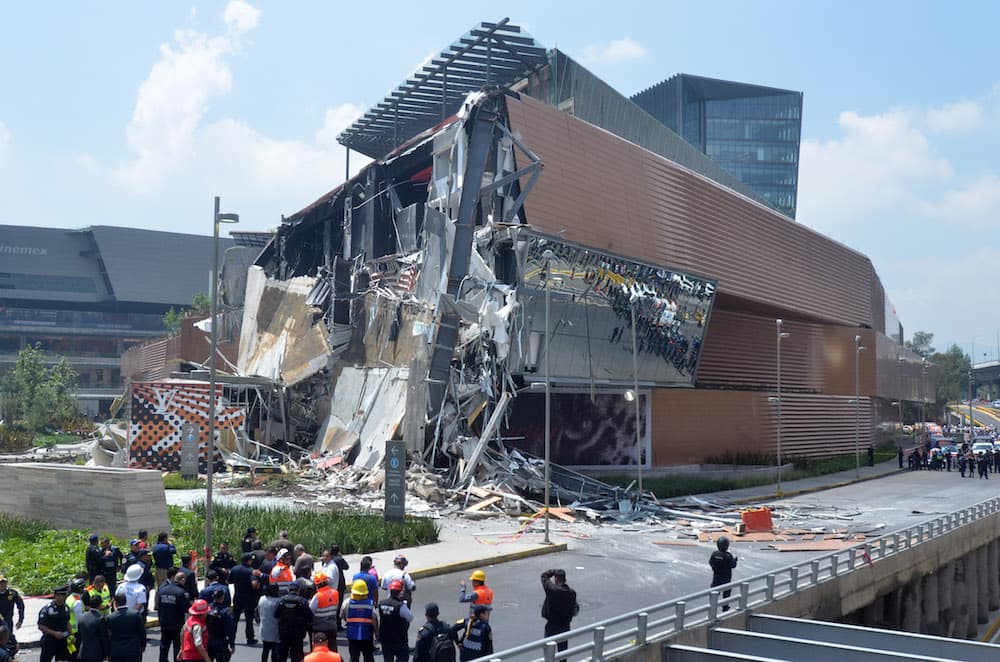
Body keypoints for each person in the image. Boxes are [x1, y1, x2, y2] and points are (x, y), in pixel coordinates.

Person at [540, 569, 578, 658]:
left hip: (552, 626)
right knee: (563, 652)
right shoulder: (572, 593)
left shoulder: (552, 590)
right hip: (565, 626)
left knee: (548, 651)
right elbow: (574, 609)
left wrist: (553, 571)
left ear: (556, 579)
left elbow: (544, 576)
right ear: (565, 579)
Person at [156, 571, 192, 662]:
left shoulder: (162, 590)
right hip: (177, 624)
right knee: (177, 645)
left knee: (164, 645)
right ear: (182, 580)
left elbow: (158, 606)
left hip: (164, 622)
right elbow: (187, 609)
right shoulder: (181, 592)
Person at [340, 580, 378, 662]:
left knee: (354, 657)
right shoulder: (370, 603)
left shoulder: (346, 603)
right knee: (368, 657)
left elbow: (343, 616)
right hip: (367, 635)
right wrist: (376, 633)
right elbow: (374, 620)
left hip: (352, 635)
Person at [275, 581, 312, 662]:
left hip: (284, 632)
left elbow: (276, 615)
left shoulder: (281, 601)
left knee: (282, 656)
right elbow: (310, 616)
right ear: (298, 590)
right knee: (297, 657)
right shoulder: (303, 601)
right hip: (298, 633)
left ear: (288, 590)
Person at [377, 580, 413, 662]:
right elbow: (410, 618)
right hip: (399, 639)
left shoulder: (382, 603)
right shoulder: (401, 606)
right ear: (399, 592)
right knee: (403, 657)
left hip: (385, 639)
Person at [230, 553, 261, 645]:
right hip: (248, 598)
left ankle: (231, 638)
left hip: (237, 597)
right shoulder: (251, 571)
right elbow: (254, 585)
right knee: (249, 619)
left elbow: (229, 581)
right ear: (248, 561)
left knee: (235, 619)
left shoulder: (234, 569)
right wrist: (259, 582)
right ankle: (250, 638)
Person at [106, 592, 146, 662]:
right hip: (133, 650)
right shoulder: (135, 614)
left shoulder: (110, 618)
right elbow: (142, 632)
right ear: (126, 601)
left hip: (116, 652)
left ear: (115, 603)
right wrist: (143, 645)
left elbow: (108, 636)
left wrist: (107, 652)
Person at [37, 584, 72, 662]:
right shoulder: (48, 609)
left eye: (64, 595)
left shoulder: (66, 608)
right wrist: (54, 633)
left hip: (63, 640)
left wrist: (71, 634)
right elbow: (41, 626)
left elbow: (67, 622)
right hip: (50, 640)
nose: (62, 597)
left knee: (63, 659)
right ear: (56, 596)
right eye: (60, 595)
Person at [309, 573, 339, 651]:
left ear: (317, 584)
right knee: (333, 649)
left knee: (319, 651)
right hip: (332, 626)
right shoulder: (335, 592)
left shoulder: (317, 596)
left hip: (320, 628)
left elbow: (310, 611)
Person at [76, 592, 109, 662]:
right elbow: (104, 638)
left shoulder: (82, 618)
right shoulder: (100, 619)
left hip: (83, 653)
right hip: (96, 654)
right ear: (100, 605)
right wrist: (106, 653)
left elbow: (79, 637)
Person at [206, 588, 236, 662]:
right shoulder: (226, 611)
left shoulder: (207, 608)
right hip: (221, 642)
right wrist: (232, 644)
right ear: (223, 597)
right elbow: (230, 629)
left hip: (207, 641)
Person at [709, 536, 738, 612]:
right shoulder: (728, 556)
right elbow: (733, 565)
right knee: (726, 592)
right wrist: (735, 560)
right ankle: (725, 607)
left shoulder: (714, 554)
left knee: (714, 592)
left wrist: (714, 568)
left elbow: (711, 563)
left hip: (716, 577)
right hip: (726, 578)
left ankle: (712, 608)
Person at [257, 584, 282, 662]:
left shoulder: (262, 599)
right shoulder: (279, 601)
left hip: (264, 628)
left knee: (265, 650)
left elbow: (259, 611)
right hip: (275, 630)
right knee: (274, 651)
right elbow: (279, 616)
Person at [0, 576, 24, 652]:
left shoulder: (12, 593)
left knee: (8, 637)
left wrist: (20, 620)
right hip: (0, 620)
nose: (3, 584)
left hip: (8, 620)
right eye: (1, 583)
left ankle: (9, 653)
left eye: (4, 582)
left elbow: (21, 606)